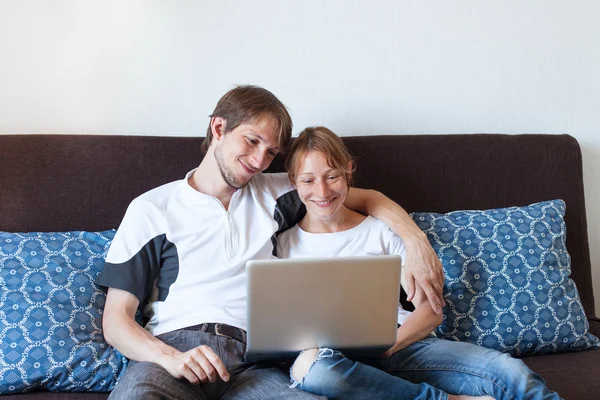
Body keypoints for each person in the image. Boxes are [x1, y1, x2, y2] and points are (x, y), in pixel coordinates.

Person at [95, 85, 446, 400]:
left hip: (256, 362)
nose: (259, 161)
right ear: (218, 128)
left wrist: (416, 243)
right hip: (176, 351)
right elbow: (116, 321)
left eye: (271, 152)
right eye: (252, 141)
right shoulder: (152, 208)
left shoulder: (277, 192)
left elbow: (368, 199)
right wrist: (170, 358)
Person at [277, 126, 563, 400]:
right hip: (334, 361)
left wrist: (390, 347)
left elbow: (431, 311)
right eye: (308, 180)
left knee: (511, 373)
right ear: (292, 181)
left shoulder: (380, 230)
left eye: (332, 176)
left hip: (404, 347)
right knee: (316, 371)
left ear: (349, 171)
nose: (322, 192)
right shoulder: (284, 244)